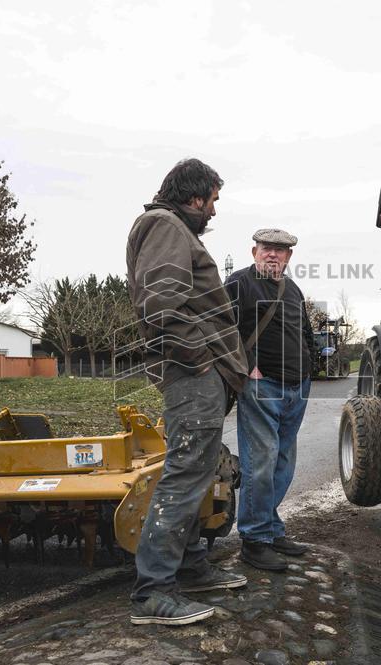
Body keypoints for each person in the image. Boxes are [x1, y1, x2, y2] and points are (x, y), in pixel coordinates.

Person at [126, 158, 249, 626]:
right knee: (183, 475)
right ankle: (153, 593)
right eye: (213, 200)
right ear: (195, 197)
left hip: (200, 374)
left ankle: (190, 567)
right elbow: (160, 307)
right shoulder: (166, 226)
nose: (214, 211)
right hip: (193, 374)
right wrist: (202, 362)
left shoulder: (173, 228)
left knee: (197, 473)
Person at [225, 229, 315, 571]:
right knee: (259, 465)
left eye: (281, 250)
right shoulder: (238, 284)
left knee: (282, 466)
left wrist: (310, 366)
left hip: (297, 386)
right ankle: (254, 541)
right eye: (267, 249)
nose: (273, 255)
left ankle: (272, 529)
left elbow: (303, 330)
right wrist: (248, 368)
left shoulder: (292, 289)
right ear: (254, 251)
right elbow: (220, 331)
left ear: (289, 257)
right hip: (263, 388)